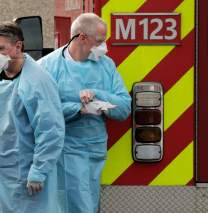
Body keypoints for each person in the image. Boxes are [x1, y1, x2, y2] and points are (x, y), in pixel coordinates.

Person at [37, 13, 131, 213]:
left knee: (88, 204)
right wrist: (78, 109)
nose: (104, 47)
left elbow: (124, 107)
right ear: (81, 37)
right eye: (99, 41)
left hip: (95, 149)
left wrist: (97, 95)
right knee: (78, 206)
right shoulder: (48, 67)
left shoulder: (106, 65)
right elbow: (39, 112)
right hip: (65, 150)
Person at [0, 21, 65, 213]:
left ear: (18, 46)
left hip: (23, 176)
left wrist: (39, 170)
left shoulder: (37, 81)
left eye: (0, 49)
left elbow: (50, 130)